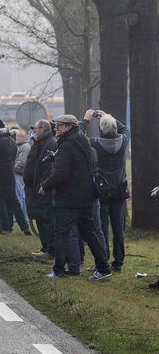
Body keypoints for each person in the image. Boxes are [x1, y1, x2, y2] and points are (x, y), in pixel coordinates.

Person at [39, 114, 112, 280]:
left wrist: (45, 186)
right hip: (86, 196)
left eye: (59, 126)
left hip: (69, 198)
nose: (55, 128)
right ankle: (103, 268)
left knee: (61, 234)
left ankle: (58, 270)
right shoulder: (82, 140)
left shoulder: (66, 146)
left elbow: (61, 173)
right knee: (90, 233)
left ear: (68, 127)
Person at [80, 109, 130, 273]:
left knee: (101, 228)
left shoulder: (94, 142)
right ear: (115, 128)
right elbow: (125, 129)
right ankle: (118, 263)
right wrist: (109, 116)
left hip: (101, 190)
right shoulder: (123, 141)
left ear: (101, 129)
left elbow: (77, 139)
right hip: (119, 190)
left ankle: (103, 260)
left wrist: (86, 120)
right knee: (118, 228)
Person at [23, 119, 56, 258]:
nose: (34, 131)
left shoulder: (49, 143)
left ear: (42, 129)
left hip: (43, 190)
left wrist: (42, 185)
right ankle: (45, 247)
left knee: (46, 221)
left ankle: (49, 250)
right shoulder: (39, 143)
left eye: (36, 128)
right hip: (35, 188)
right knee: (40, 219)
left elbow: (47, 168)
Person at [13, 129, 31, 222]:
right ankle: (23, 216)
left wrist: (13, 169)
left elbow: (21, 162)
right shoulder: (19, 146)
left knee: (20, 195)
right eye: (17, 136)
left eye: (21, 136)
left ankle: (20, 216)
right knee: (20, 195)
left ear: (25, 138)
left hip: (19, 174)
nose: (18, 138)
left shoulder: (25, 147)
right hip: (18, 174)